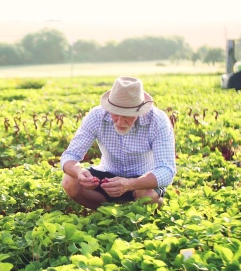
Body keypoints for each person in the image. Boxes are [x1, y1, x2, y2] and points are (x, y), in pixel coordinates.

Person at [60, 76, 176, 210]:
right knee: (69, 181)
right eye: (115, 114)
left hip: (143, 178)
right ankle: (108, 213)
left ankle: (144, 210)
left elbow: (167, 171)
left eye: (127, 115)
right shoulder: (97, 115)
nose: (120, 122)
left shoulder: (157, 120)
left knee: (147, 195)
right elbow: (70, 155)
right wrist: (79, 172)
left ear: (140, 111)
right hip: (108, 174)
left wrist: (130, 184)